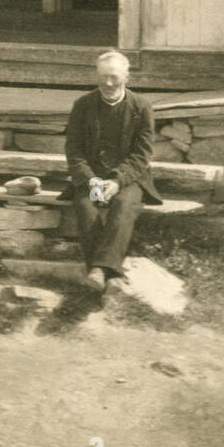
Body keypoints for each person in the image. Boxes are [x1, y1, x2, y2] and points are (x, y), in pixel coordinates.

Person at [64, 50, 161, 293]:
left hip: (129, 178)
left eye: (114, 77)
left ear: (127, 77)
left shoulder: (141, 107)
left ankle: (98, 270)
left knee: (123, 204)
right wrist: (90, 180)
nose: (108, 84)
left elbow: (142, 154)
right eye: (103, 77)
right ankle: (108, 272)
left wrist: (118, 181)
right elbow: (74, 150)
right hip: (92, 178)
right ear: (96, 76)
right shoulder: (83, 106)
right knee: (87, 207)